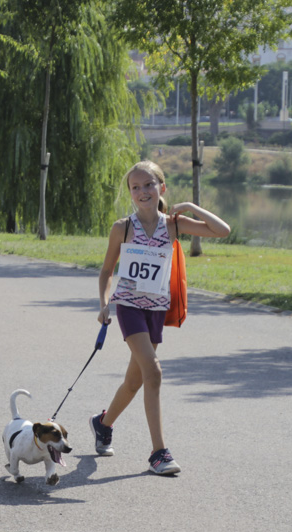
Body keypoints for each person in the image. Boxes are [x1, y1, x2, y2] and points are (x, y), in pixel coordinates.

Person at [90, 160, 231, 475]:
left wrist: (192, 206)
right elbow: (106, 271)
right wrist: (103, 304)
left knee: (134, 380)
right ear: (130, 193)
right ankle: (158, 453)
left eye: (149, 185)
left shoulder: (174, 224)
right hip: (129, 307)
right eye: (135, 187)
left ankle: (103, 423)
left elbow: (223, 231)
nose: (142, 192)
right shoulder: (122, 227)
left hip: (156, 310)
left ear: (161, 188)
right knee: (153, 373)